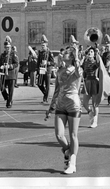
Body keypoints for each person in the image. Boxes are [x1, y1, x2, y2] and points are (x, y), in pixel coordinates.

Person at [44, 45, 83, 174]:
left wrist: (76, 55)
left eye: (66, 53)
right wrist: (51, 108)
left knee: (73, 135)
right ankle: (67, 151)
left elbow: (78, 67)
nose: (62, 54)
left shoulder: (76, 70)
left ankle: (72, 162)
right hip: (61, 104)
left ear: (71, 57)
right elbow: (56, 90)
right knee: (59, 135)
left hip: (73, 104)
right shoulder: (60, 70)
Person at [0, 38, 20, 108]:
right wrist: (1, 66)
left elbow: (16, 63)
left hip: (11, 74)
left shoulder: (13, 54)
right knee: (1, 87)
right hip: (4, 74)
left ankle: (9, 102)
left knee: (11, 89)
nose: (7, 49)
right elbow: (0, 63)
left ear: (10, 47)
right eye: (6, 48)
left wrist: (10, 66)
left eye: (8, 47)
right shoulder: (2, 55)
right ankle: (7, 97)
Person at [37, 35, 55, 104]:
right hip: (41, 70)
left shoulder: (49, 53)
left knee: (47, 85)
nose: (42, 47)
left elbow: (53, 62)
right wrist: (37, 69)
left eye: (43, 46)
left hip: (47, 70)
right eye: (41, 46)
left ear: (46, 45)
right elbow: (38, 61)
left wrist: (47, 62)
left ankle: (45, 99)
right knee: (39, 84)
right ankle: (46, 94)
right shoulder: (40, 53)